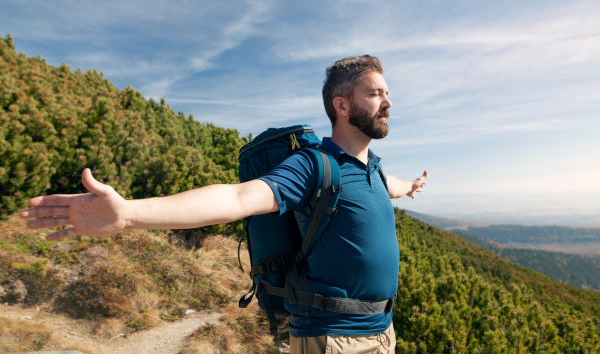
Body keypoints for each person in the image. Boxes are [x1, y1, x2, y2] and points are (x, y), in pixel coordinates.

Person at [20, 55, 427, 354]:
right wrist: (129, 214)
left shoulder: (371, 167)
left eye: (387, 93)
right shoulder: (312, 166)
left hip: (382, 332)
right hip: (335, 337)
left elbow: (386, 186)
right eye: (375, 93)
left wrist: (410, 186)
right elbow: (237, 197)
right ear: (341, 105)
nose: (388, 102)